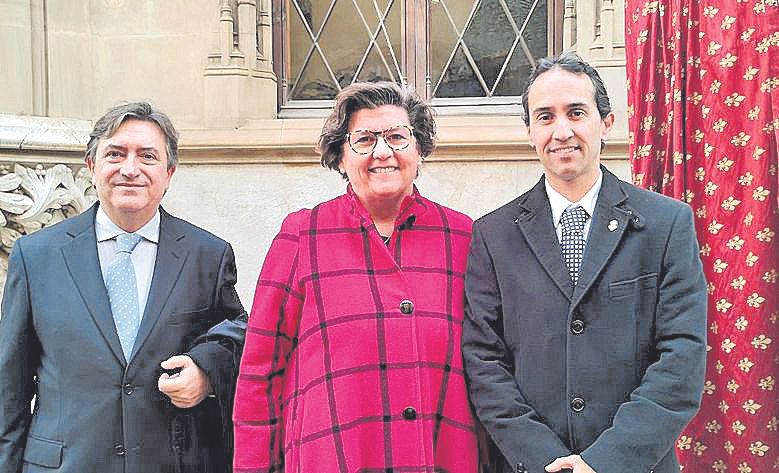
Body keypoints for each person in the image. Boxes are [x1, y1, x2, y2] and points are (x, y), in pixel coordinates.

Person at [462, 53, 707, 473]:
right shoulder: (492, 235)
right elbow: (484, 364)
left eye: (576, 112)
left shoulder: (666, 224)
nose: (562, 131)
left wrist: (607, 462)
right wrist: (546, 459)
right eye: (545, 117)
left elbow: (681, 357)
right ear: (529, 132)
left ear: (606, 122)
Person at [233, 82, 479, 472]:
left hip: (442, 455)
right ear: (341, 157)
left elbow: (487, 362)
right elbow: (260, 371)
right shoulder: (303, 235)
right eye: (364, 140)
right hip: (333, 454)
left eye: (398, 137)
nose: (383, 152)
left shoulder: (462, 236)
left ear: (419, 149)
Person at [0, 102, 247, 473]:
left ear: (169, 172)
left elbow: (239, 334)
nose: (130, 169)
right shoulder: (36, 256)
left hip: (173, 462)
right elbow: (10, 385)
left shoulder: (207, 254)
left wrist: (205, 370)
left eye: (147, 156)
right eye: (115, 153)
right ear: (91, 166)